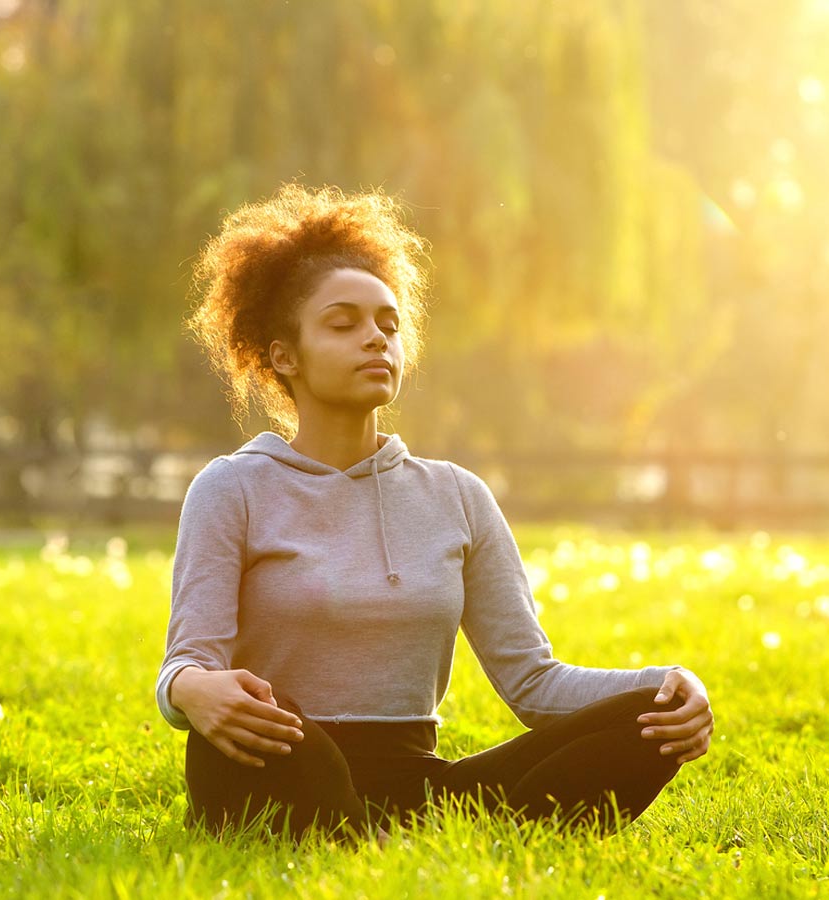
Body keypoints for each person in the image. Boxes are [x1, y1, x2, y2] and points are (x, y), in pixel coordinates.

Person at [156, 183, 713, 842]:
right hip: (280, 758)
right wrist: (193, 691)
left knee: (652, 718)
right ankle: (353, 829)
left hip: (419, 787)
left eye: (388, 325)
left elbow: (533, 681)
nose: (375, 339)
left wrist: (670, 685)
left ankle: (368, 834)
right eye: (344, 324)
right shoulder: (231, 488)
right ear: (284, 355)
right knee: (273, 746)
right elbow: (186, 663)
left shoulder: (456, 495)